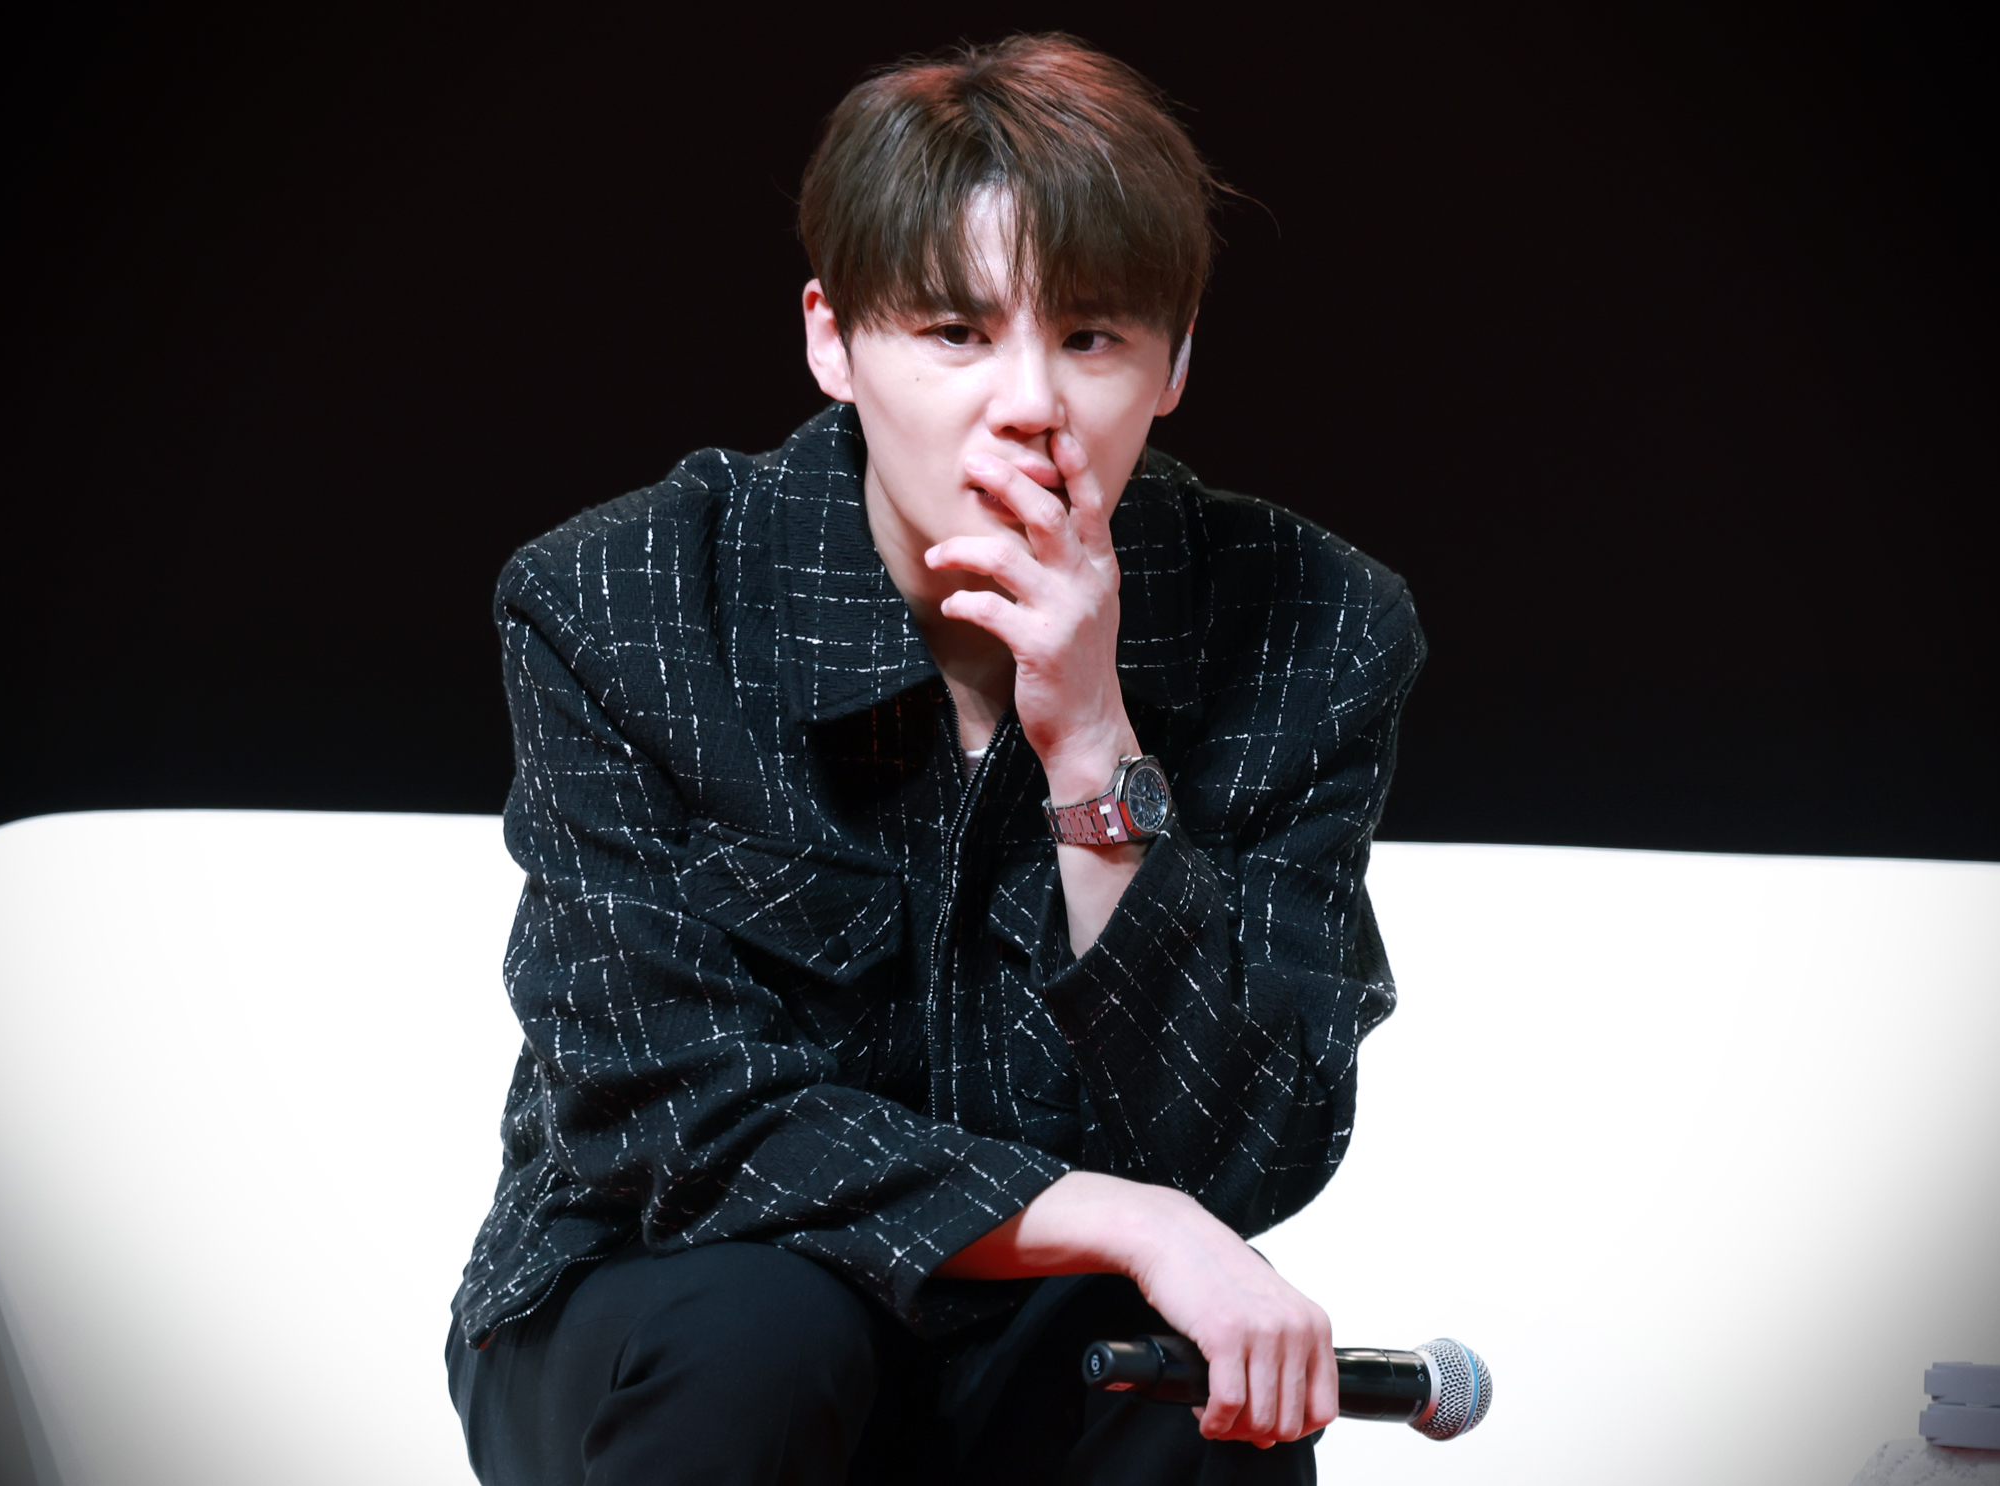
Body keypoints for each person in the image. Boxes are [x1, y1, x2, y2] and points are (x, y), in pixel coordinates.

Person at [446, 33, 1424, 1485]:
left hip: (1045, 1341)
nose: (1029, 404)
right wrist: (1128, 1217)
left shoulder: (1313, 625)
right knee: (764, 1332)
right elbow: (676, 1116)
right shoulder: (624, 600)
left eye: (1092, 337)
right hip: (665, 1297)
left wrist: (1090, 742)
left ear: (1176, 359)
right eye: (956, 334)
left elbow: (1245, 1148)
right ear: (832, 340)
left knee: (1189, 1390)